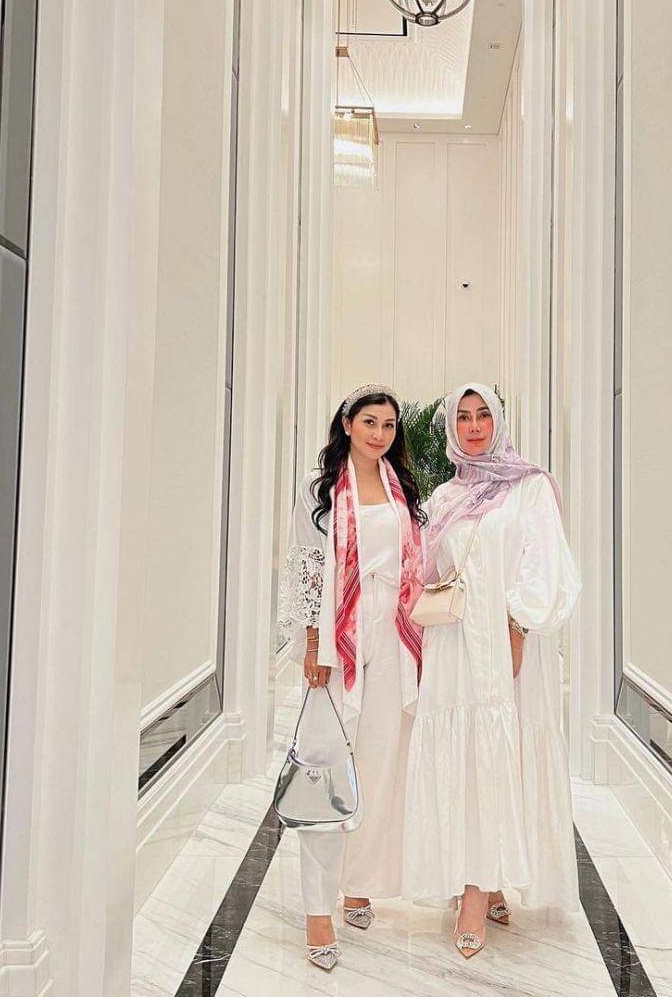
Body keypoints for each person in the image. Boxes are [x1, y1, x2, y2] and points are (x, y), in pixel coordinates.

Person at [403, 382, 581, 957]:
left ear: (499, 421)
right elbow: (433, 573)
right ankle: (483, 878)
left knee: (501, 753)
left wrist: (518, 625)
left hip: (505, 645)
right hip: (455, 645)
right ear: (451, 427)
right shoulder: (446, 495)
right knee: (466, 756)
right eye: (463, 417)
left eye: (483, 415)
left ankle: (478, 893)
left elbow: (546, 563)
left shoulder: (530, 487)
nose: (474, 426)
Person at [278, 384, 425, 971]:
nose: (379, 434)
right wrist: (313, 643)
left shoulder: (401, 487)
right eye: (369, 422)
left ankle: (358, 882)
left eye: (388, 425)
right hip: (338, 632)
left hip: (394, 632)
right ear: (347, 424)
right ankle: (318, 909)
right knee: (326, 764)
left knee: (381, 760)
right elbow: (306, 567)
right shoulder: (318, 490)